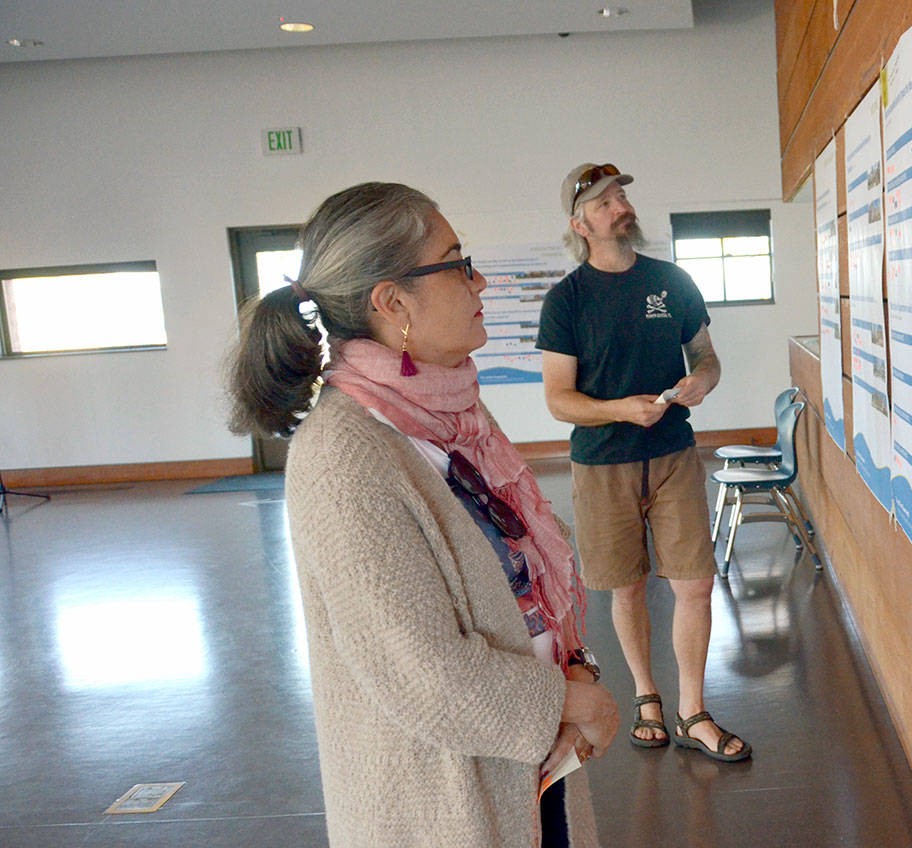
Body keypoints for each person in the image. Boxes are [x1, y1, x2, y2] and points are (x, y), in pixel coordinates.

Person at [226, 182, 618, 847]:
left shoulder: (452, 412)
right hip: (439, 804)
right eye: (458, 262)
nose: (480, 280)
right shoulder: (344, 455)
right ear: (393, 301)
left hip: (530, 767)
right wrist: (570, 702)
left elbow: (520, 575)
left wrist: (574, 666)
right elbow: (424, 677)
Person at [535, 163, 750, 763]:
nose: (620, 206)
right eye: (605, 202)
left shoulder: (671, 281)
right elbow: (559, 400)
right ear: (580, 225)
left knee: (695, 584)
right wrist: (619, 410)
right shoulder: (566, 301)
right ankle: (647, 698)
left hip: (674, 454)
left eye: (622, 195)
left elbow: (706, 355)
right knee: (625, 591)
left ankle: (694, 710)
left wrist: (702, 381)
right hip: (603, 465)